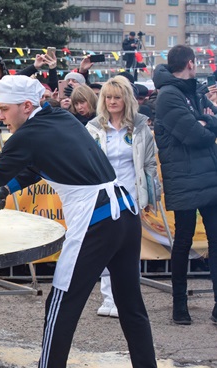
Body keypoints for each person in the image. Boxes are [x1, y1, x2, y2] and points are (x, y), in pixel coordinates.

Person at [0, 75, 162, 368]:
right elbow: (37, 167)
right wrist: (6, 191)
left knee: (60, 306)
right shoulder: (59, 116)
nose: (0, 116)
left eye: (5, 110)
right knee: (130, 304)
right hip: (124, 214)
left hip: (96, 220)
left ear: (26, 106)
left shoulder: (28, 135)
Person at [152, 45, 217, 325]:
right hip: (185, 179)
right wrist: (204, 124)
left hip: (210, 177)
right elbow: (194, 135)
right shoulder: (168, 95)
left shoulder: (195, 91)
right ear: (190, 63)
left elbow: (209, 122)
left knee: (216, 242)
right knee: (183, 242)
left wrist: (207, 121)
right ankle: (180, 304)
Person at [85, 76, 160, 319]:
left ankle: (125, 300)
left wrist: (150, 197)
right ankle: (108, 298)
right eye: (108, 97)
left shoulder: (141, 128)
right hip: (103, 197)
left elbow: (149, 164)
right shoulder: (93, 128)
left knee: (128, 251)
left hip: (131, 196)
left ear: (126, 99)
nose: (112, 101)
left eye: (117, 97)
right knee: (106, 249)